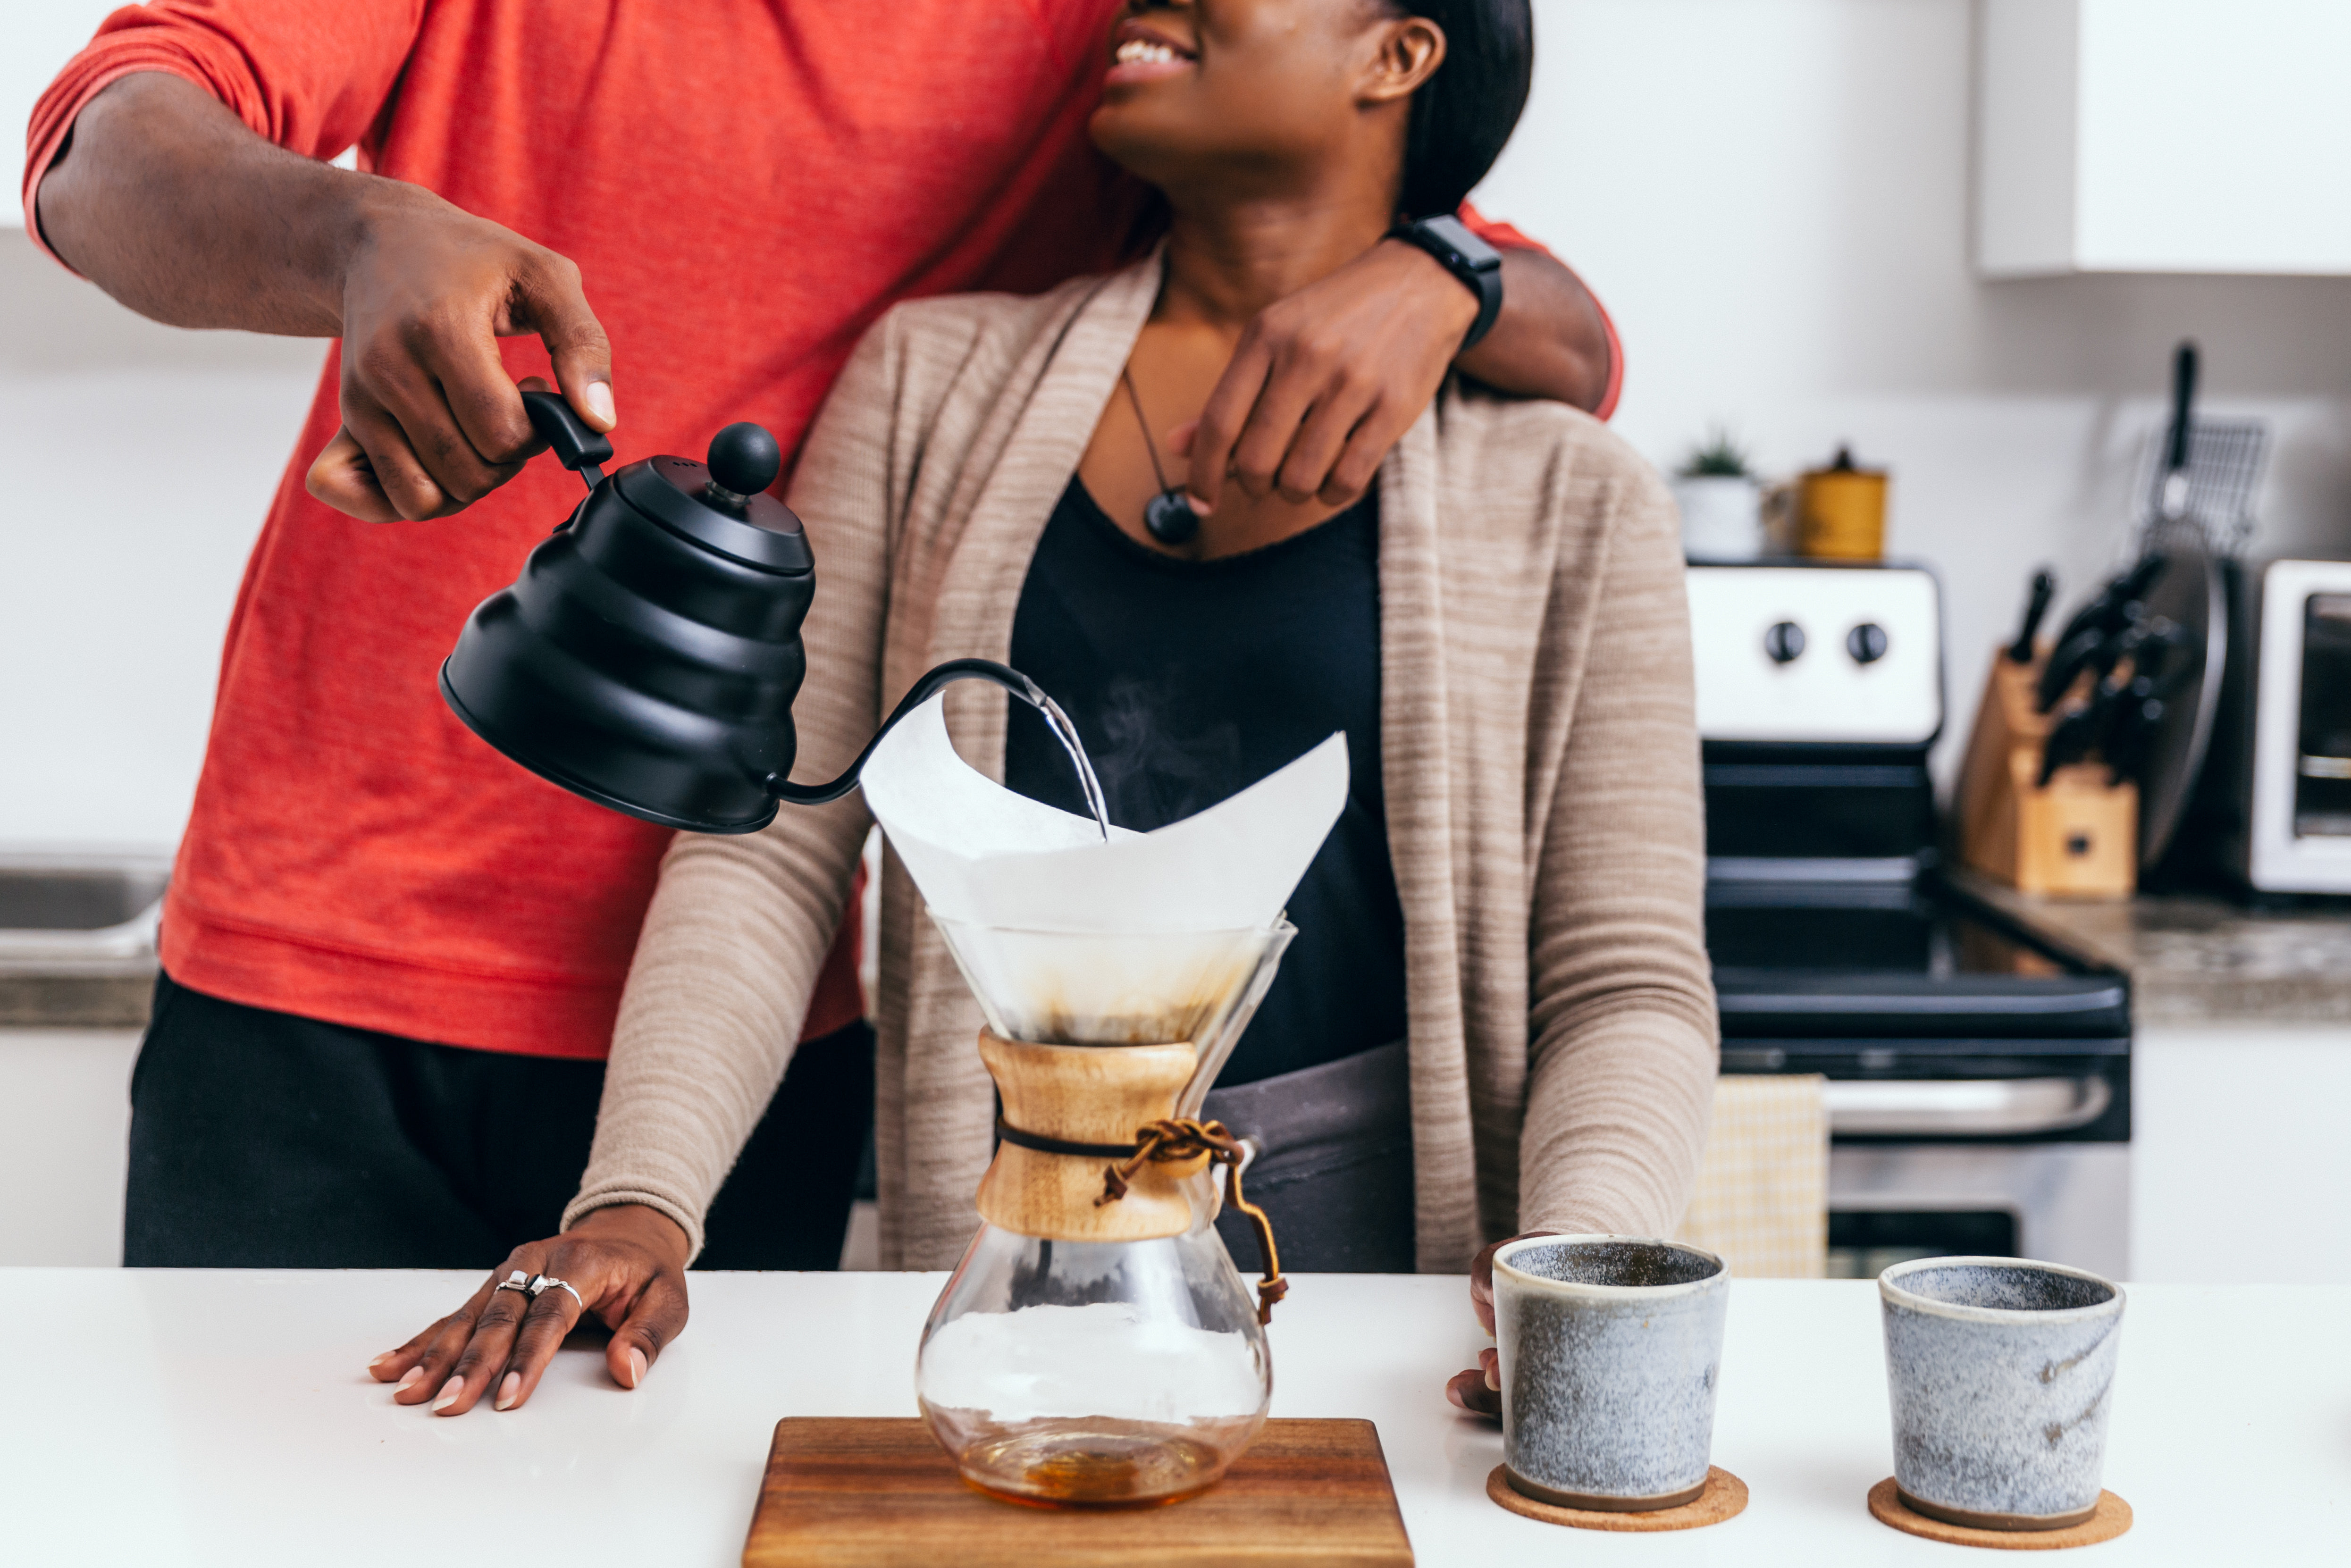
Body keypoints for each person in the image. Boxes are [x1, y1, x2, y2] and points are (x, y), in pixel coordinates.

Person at [25, 1, 1618, 1278]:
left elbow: (1522, 297)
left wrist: (1453, 273)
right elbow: (101, 154)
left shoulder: (1105, 40)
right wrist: (351, 235)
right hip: (311, 976)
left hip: (742, 1032)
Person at [381, 0, 1714, 1421]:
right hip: (1010, 1306)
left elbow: (1623, 978)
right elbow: (771, 848)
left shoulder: (1576, 492)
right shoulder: (928, 386)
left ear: (1397, 56)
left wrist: (1572, 1272)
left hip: (1396, 1322)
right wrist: (640, 1203)